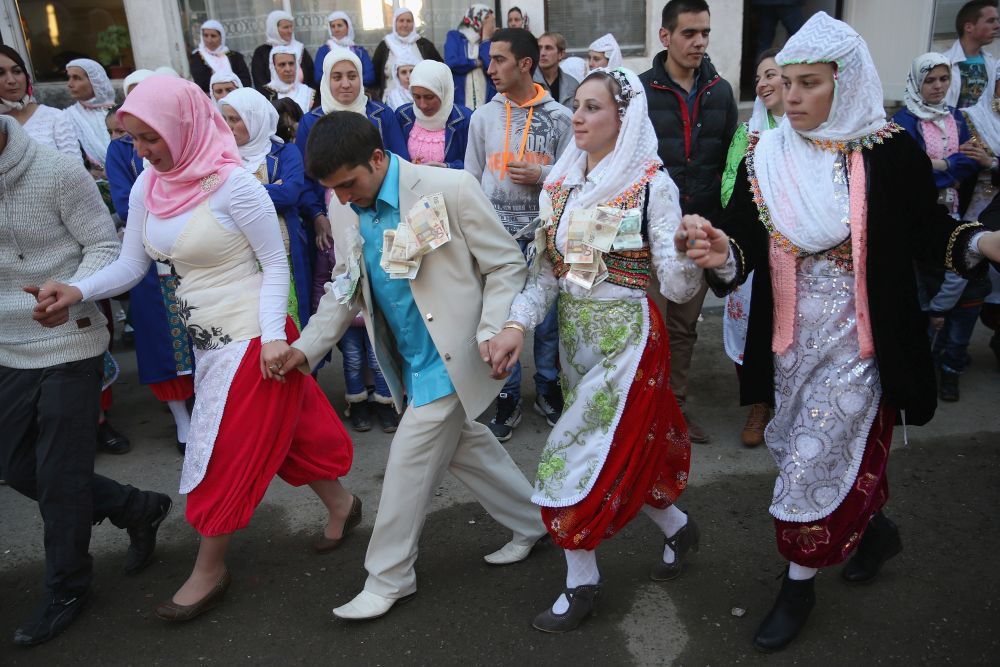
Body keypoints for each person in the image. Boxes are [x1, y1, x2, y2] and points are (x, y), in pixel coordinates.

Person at [690, 12, 1000, 652]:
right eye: (787, 82)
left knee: (808, 466)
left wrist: (984, 239)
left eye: (810, 83)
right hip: (787, 341)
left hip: (862, 342)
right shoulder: (767, 153)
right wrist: (718, 249)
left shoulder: (889, 151)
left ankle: (797, 585)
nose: (792, 96)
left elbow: (926, 233)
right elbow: (742, 244)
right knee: (801, 448)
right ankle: (876, 529)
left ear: (846, 83)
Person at [35, 77, 357, 622]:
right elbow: (134, 264)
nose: (139, 151)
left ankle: (209, 568)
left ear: (181, 127)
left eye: (148, 138)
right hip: (205, 341)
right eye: (131, 138)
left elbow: (275, 262)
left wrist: (276, 340)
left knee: (223, 454)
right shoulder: (146, 186)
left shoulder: (235, 184)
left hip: (255, 335)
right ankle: (342, 503)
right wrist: (78, 289)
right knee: (285, 433)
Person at [278, 110, 547, 621]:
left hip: (455, 356)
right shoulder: (350, 209)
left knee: (406, 465)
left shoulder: (449, 187)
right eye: (332, 189)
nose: (341, 197)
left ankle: (389, 577)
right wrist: (305, 350)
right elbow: (343, 290)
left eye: (348, 184)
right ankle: (534, 523)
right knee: (470, 451)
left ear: (378, 158)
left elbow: (506, 263)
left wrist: (494, 330)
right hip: (408, 362)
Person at [488, 67, 701, 633]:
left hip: (631, 345)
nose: (577, 117)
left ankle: (581, 582)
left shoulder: (653, 184)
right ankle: (678, 527)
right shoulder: (560, 186)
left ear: (623, 119)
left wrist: (692, 252)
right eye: (576, 106)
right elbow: (547, 279)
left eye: (592, 108)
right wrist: (515, 325)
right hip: (579, 348)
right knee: (624, 451)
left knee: (568, 458)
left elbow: (678, 288)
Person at [2, 114, 172, 646]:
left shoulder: (55, 171)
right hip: (8, 345)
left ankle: (68, 587)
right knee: (18, 466)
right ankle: (136, 507)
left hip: (70, 337)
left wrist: (71, 288)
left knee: (60, 475)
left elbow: (106, 247)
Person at [465, 28, 573, 440]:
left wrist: (543, 175)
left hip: (545, 236)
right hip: (494, 239)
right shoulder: (483, 117)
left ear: (526, 64)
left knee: (544, 319)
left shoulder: (561, 118)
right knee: (499, 316)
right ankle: (506, 393)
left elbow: (573, 179)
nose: (490, 69)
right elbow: (470, 179)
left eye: (499, 60)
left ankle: (547, 385)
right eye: (490, 60)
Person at [640, 0, 738, 444]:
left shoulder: (720, 91)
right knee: (645, 329)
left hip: (698, 234)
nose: (699, 42)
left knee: (683, 328)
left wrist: (721, 226)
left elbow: (729, 166)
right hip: (647, 235)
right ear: (665, 36)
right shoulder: (638, 92)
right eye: (689, 33)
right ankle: (643, 415)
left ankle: (675, 410)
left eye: (705, 33)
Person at [296, 48, 405, 433]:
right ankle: (359, 395)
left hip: (386, 217)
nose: (345, 84)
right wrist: (319, 213)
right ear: (325, 80)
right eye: (337, 76)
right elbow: (308, 179)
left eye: (352, 76)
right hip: (339, 225)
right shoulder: (312, 122)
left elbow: (400, 162)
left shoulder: (380, 115)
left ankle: (390, 393)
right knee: (351, 294)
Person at [104, 73, 195, 453]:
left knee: (203, 339)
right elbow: (126, 204)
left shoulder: (188, 144)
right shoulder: (123, 150)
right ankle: (182, 421)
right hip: (151, 259)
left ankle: (210, 412)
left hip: (194, 255)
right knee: (164, 344)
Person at [720, 47, 783, 447]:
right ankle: (758, 403)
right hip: (755, 242)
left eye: (771, 74)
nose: (763, 83)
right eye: (759, 77)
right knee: (752, 328)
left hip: (798, 251)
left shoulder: (812, 133)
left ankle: (791, 403)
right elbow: (731, 181)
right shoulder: (748, 133)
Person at [220, 87, 312, 330]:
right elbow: (211, 194)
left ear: (255, 118)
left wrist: (237, 194)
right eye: (225, 119)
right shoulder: (219, 156)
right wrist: (270, 188)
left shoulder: (285, 153)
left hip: (282, 249)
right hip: (236, 255)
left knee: (287, 317)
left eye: (235, 119)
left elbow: (290, 194)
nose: (228, 126)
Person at [0, 46, 77, 156]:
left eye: (17, 71)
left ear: (26, 76)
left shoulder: (55, 117)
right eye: (0, 73)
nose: (11, 80)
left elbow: (75, 170)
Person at [397, 59, 472, 169]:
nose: (422, 105)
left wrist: (447, 167)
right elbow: (393, 156)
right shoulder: (403, 116)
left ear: (444, 92)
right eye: (416, 97)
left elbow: (476, 164)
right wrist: (408, 165)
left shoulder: (465, 119)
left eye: (429, 97)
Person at [372, 8, 443, 102]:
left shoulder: (423, 44)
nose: (405, 25)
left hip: (422, 100)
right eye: (401, 21)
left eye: (408, 21)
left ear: (413, 24)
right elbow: (375, 75)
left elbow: (440, 69)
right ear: (395, 23)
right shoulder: (385, 45)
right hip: (391, 100)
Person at [943, 0, 1000, 108]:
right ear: (969, 27)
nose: (997, 26)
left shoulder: (993, 65)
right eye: (990, 21)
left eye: (997, 20)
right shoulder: (942, 63)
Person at [64, 58, 114, 178]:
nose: (70, 84)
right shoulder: (66, 116)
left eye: (77, 78)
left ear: (94, 81)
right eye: (69, 78)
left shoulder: (115, 111)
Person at [444, 4, 497, 110]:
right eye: (490, 22)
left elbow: (490, 67)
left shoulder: (490, 42)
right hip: (461, 100)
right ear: (479, 20)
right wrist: (476, 63)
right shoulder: (455, 36)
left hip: (486, 101)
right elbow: (452, 62)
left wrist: (486, 38)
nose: (493, 26)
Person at [251, 10, 315, 93]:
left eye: (291, 26)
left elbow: (311, 78)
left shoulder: (300, 48)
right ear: (273, 29)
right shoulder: (262, 53)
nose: (290, 31)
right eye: (285, 27)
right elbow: (260, 81)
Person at [315, 11, 375, 90]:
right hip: (332, 93)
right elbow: (319, 77)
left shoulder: (359, 51)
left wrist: (351, 85)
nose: (336, 29)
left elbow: (370, 76)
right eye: (333, 26)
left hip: (359, 92)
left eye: (339, 25)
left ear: (348, 27)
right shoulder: (324, 51)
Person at [188, 20, 253, 93]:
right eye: (205, 35)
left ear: (221, 37)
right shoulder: (198, 57)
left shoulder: (233, 55)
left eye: (213, 36)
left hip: (238, 97)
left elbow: (246, 80)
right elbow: (202, 83)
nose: (209, 40)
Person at [261, 45, 316, 113]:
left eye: (291, 63)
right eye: (282, 64)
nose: (288, 69)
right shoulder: (263, 95)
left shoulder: (309, 93)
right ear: (273, 67)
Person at [534, 32, 579, 109]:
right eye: (539, 48)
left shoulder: (572, 85)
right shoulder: (528, 82)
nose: (542, 53)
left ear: (561, 54)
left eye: (548, 48)